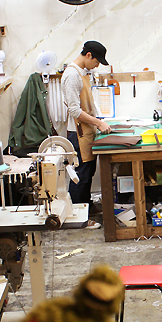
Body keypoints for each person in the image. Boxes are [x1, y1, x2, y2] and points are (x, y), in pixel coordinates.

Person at [62, 41, 113, 226]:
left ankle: (87, 207)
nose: (97, 65)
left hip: (87, 131)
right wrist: (98, 123)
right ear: (88, 55)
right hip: (78, 134)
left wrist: (99, 119)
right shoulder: (72, 75)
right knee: (80, 177)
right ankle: (78, 219)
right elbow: (75, 111)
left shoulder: (83, 73)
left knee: (88, 172)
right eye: (97, 61)